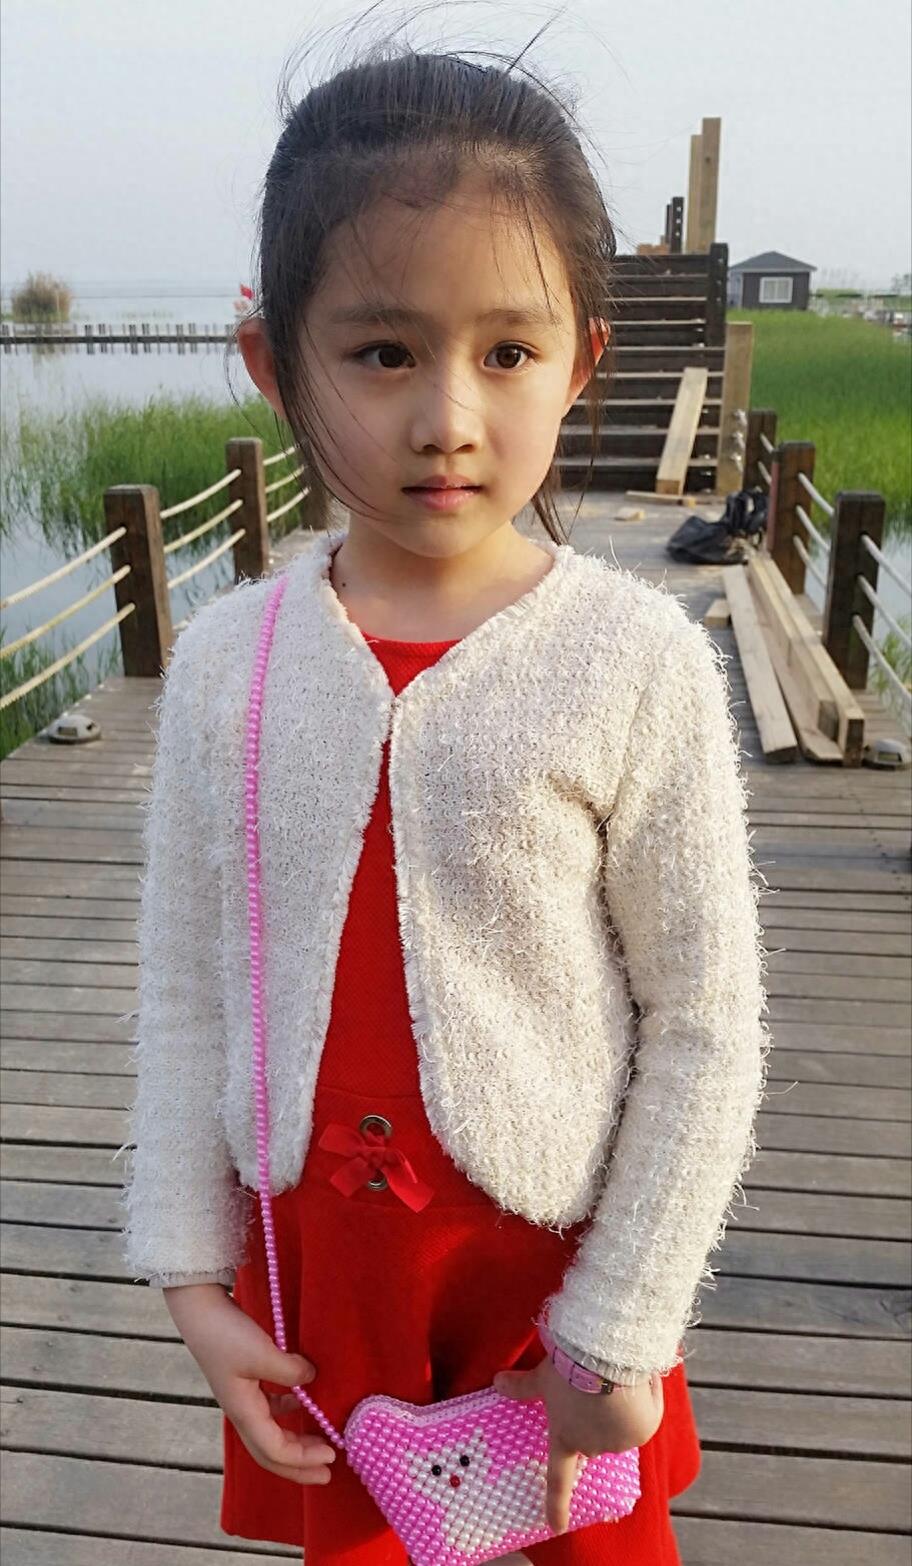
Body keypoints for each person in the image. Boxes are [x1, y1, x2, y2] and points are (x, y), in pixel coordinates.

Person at [121, 31, 771, 1566]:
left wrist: (620, 1320)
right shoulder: (226, 666)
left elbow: (704, 1018)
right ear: (274, 359)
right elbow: (188, 990)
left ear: (582, 358)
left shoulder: (635, 662)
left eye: (506, 352)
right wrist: (194, 1280)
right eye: (383, 352)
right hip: (328, 1285)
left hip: (558, 1292)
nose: (448, 416)